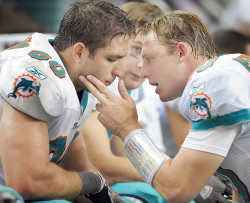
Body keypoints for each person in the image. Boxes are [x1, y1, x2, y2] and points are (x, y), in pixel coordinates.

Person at [80, 10, 250, 202]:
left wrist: (127, 127)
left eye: (149, 58)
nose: (143, 71)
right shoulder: (226, 71)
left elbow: (175, 189)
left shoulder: (211, 82)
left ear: (181, 52)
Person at [0, 0, 135, 202]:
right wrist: (94, 182)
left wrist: (111, 198)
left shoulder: (79, 82)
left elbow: (76, 167)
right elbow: (28, 183)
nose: (119, 71)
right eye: (111, 59)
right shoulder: (36, 75)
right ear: (79, 52)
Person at [81, 2, 169, 202]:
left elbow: (128, 156)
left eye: (150, 57)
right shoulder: (96, 83)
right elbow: (103, 165)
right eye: (136, 50)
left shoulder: (130, 91)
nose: (141, 65)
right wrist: (173, 172)